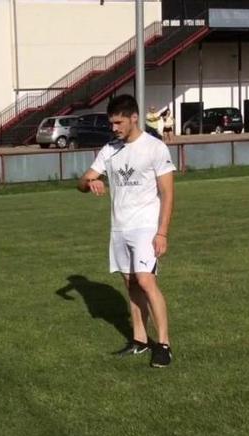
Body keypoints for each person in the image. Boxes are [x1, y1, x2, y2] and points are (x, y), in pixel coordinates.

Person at [77, 94, 176, 368]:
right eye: (111, 123)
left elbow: (168, 193)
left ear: (134, 117)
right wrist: (90, 182)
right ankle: (140, 340)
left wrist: (162, 232)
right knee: (130, 283)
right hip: (119, 227)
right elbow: (81, 181)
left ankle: (164, 345)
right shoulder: (110, 149)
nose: (114, 128)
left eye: (118, 122)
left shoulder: (155, 148)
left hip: (146, 226)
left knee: (146, 281)